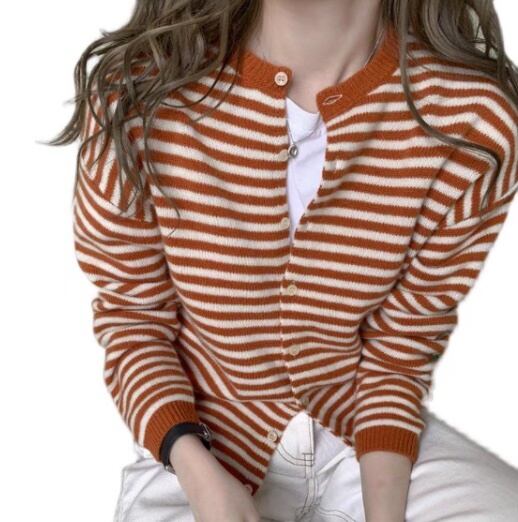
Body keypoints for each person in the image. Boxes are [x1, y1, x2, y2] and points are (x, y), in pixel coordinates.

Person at [51, 0, 518, 520]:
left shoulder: (472, 120)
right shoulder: (136, 94)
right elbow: (134, 321)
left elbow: (401, 347)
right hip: (193, 446)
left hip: (365, 430)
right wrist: (199, 474)